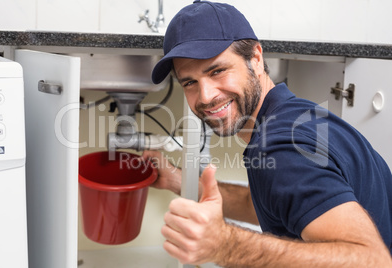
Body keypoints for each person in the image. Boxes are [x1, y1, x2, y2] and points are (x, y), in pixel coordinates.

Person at [142, 1, 392, 266]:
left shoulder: (281, 148)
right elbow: (268, 203)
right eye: (190, 82)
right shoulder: (293, 114)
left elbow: (373, 261)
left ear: (256, 59)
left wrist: (225, 245)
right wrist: (176, 180)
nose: (205, 96)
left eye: (217, 71)